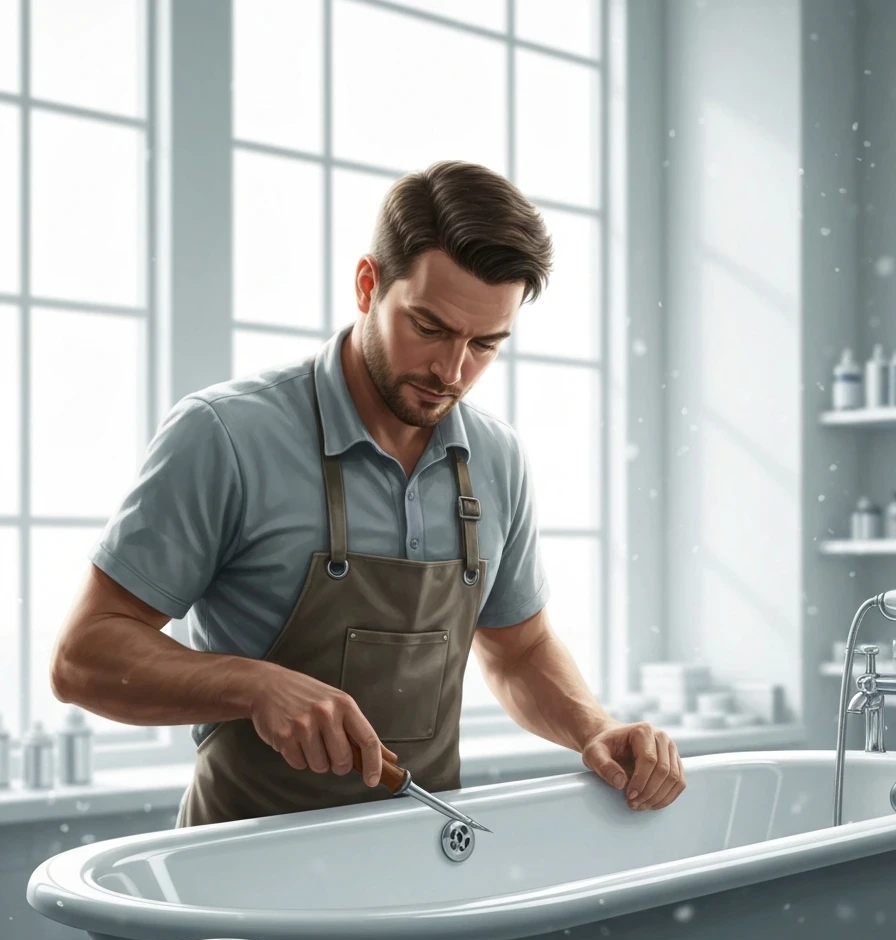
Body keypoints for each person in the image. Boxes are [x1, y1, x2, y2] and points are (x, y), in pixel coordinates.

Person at [50, 160, 686, 827]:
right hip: (235, 872)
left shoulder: (497, 459)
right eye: (430, 328)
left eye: (486, 344)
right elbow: (83, 654)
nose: (452, 371)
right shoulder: (225, 436)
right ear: (367, 285)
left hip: (422, 872)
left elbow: (520, 650)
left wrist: (592, 728)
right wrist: (253, 685)